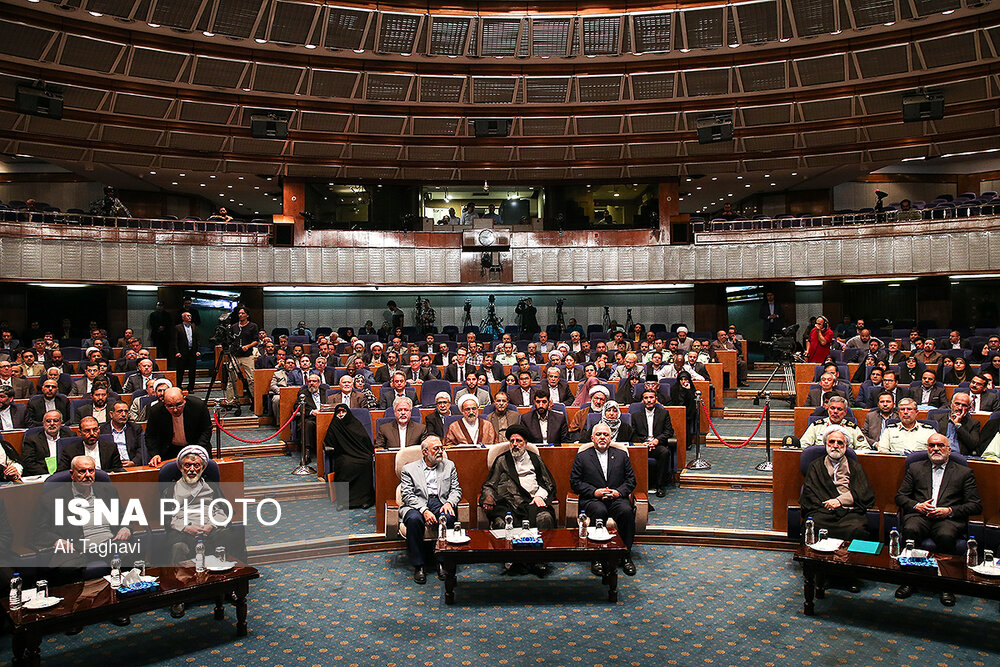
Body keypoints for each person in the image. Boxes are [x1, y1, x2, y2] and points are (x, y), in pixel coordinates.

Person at [894, 434, 982, 606]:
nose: (936, 449)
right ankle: (910, 579)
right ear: (927, 448)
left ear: (949, 450)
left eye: (940, 445)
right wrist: (917, 505)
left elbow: (975, 505)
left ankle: (946, 584)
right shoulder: (915, 467)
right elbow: (900, 497)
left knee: (945, 535)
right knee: (911, 529)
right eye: (932, 446)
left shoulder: (964, 472)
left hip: (948, 518)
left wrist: (949, 510)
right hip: (920, 515)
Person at [35, 455, 138, 600]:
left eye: (91, 471)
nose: (87, 476)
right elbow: (40, 530)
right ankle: (74, 610)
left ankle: (121, 603)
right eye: (82, 472)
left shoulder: (107, 491)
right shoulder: (53, 498)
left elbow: (123, 516)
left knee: (132, 554)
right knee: (66, 569)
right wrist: (57, 541)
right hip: (76, 547)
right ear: (72, 474)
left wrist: (126, 528)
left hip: (108, 543)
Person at [480, 424, 558, 576]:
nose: (515, 444)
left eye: (519, 441)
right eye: (512, 441)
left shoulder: (534, 459)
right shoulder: (502, 460)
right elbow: (490, 484)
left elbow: (548, 483)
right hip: (508, 503)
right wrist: (488, 497)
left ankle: (540, 560)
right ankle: (512, 560)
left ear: (526, 443)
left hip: (532, 501)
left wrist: (539, 496)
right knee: (501, 522)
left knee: (545, 517)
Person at [570, 422, 637, 576]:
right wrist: (595, 492)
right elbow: (575, 482)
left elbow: (631, 481)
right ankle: (596, 558)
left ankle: (625, 555)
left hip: (616, 498)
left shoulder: (621, 455)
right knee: (599, 510)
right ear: (592, 438)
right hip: (592, 500)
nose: (602, 437)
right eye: (599, 434)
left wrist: (618, 492)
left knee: (627, 511)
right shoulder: (582, 456)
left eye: (605, 435)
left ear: (611, 437)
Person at [799, 425, 876, 547]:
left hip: (848, 512)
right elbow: (809, 492)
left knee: (858, 529)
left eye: (840, 442)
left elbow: (864, 492)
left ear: (846, 446)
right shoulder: (815, 466)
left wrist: (840, 501)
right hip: (823, 511)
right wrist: (826, 505)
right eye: (831, 442)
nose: (835, 445)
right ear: (826, 444)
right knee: (813, 525)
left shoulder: (855, 466)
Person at [399, 436, 460, 584]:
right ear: (425, 452)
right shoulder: (409, 469)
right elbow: (407, 495)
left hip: (440, 502)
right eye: (436, 449)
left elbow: (456, 490)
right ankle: (419, 566)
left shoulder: (449, 465)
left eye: (441, 448)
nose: (440, 452)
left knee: (448, 517)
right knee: (414, 520)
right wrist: (424, 510)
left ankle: (442, 562)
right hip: (416, 503)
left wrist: (450, 503)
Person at [323, 403, 375, 509]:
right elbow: (329, 441)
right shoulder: (334, 425)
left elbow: (365, 440)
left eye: (343, 412)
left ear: (348, 413)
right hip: (343, 454)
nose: (341, 415)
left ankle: (365, 500)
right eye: (339, 413)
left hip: (360, 454)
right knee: (344, 464)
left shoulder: (355, 424)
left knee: (366, 461)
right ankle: (343, 501)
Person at [146, 387, 213, 466]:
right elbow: (150, 435)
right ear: (164, 403)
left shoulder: (198, 406)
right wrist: (155, 454)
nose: (175, 410)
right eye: (170, 406)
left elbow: (206, 429)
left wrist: (198, 449)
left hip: (196, 446)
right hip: (169, 450)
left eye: (179, 404)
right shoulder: (155, 411)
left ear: (184, 399)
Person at [633, 387, 676, 497]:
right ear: (643, 400)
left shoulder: (663, 413)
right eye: (646, 398)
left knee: (664, 452)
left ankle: (660, 486)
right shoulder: (636, 415)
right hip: (642, 445)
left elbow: (669, 431)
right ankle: (637, 486)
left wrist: (656, 440)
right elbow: (633, 434)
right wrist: (644, 443)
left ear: (656, 399)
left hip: (657, 445)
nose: (648, 400)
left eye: (651, 397)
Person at [56, 416, 124, 472]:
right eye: (87, 431)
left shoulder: (111, 448)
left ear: (99, 430)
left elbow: (118, 470)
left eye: (95, 430)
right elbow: (61, 474)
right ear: (80, 432)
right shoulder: (70, 451)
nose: (92, 434)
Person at [797, 396, 867, 449]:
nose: (835, 412)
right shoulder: (816, 426)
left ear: (845, 412)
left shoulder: (852, 428)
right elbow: (803, 446)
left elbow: (864, 448)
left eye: (839, 409)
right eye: (832, 408)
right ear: (828, 410)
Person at [227, 306, 259, 417]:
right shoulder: (234, 327)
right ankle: (230, 401)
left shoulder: (253, 326)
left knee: (251, 379)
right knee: (231, 379)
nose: (240, 315)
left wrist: (248, 346)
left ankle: (255, 400)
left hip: (247, 355)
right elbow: (230, 339)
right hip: (235, 355)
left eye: (242, 313)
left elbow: (256, 341)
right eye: (239, 313)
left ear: (247, 315)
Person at [21, 410, 74, 476]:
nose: (52, 423)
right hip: (42, 475)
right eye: (48, 421)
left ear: (61, 423)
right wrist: (49, 475)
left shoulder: (70, 436)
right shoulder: (32, 439)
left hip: (66, 474)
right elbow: (29, 462)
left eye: (55, 420)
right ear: (43, 423)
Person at [934, 392, 982, 456]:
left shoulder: (974, 423)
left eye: (964, 405)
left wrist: (958, 425)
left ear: (969, 408)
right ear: (951, 404)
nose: (960, 407)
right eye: (957, 404)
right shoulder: (936, 418)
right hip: (938, 453)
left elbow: (973, 445)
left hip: (959, 456)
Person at [100, 400, 145, 467]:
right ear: (111, 414)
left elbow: (141, 448)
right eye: (119, 411)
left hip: (132, 465)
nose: (124, 415)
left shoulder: (135, 428)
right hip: (111, 467)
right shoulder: (102, 430)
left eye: (126, 412)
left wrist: (134, 462)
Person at [174, 310, 200, 393]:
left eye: (190, 316)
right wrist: (177, 352)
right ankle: (179, 386)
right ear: (183, 318)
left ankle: (191, 387)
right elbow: (175, 341)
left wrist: (197, 350)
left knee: (192, 371)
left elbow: (197, 339)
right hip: (182, 352)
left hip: (192, 351)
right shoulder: (178, 327)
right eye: (187, 316)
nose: (190, 317)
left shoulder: (194, 326)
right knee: (180, 371)